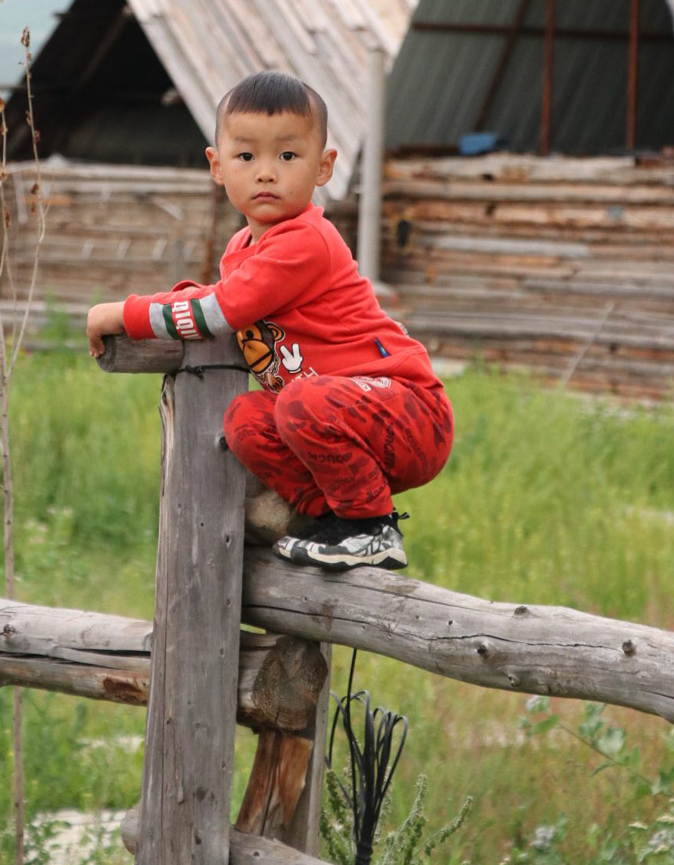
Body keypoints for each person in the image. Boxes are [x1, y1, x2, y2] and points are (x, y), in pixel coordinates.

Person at [86, 70, 453, 571]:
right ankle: (324, 518)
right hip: (339, 417)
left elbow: (221, 310)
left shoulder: (306, 241)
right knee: (245, 419)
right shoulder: (243, 247)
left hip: (407, 409)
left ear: (323, 167)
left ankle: (371, 527)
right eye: (246, 156)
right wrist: (164, 305)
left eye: (287, 156)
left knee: (302, 398)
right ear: (217, 166)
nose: (265, 172)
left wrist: (123, 314)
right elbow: (220, 297)